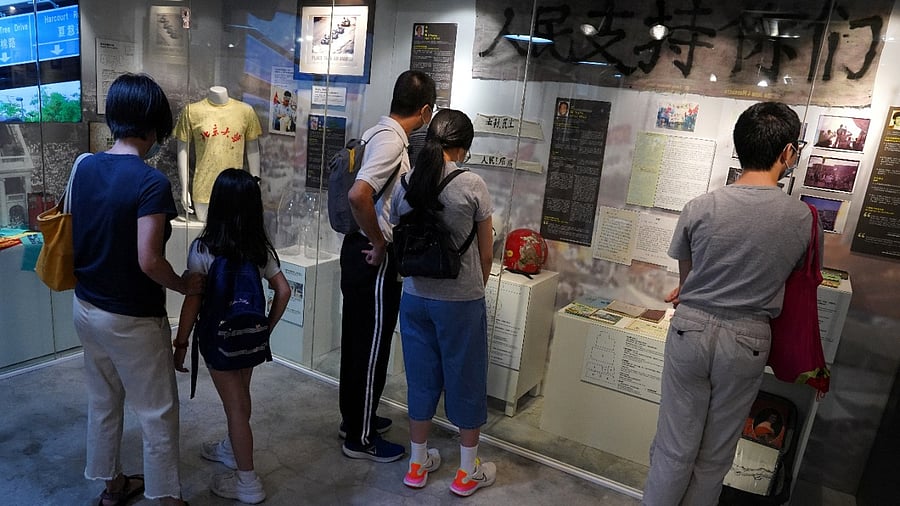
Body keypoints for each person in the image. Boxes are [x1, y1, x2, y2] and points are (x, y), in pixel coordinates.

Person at [642, 101, 820, 506]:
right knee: (715, 454)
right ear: (788, 152)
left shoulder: (699, 207)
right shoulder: (803, 219)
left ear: (739, 147)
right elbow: (792, 283)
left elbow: (688, 284)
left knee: (673, 446)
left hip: (692, 328)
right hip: (748, 338)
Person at [70, 73, 203, 506]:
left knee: (104, 399)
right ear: (154, 125)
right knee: (156, 410)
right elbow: (149, 259)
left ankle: (112, 488)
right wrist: (182, 284)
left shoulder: (84, 167)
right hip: (132, 317)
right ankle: (167, 498)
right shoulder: (151, 183)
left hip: (86, 306)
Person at [389, 109, 495, 496]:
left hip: (414, 296)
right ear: (464, 146)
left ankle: (417, 465)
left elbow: (399, 234)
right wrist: (474, 288)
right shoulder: (473, 185)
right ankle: (467, 473)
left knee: (420, 379)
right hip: (460, 301)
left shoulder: (407, 181)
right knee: (466, 380)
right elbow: (486, 254)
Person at [173, 168, 290, 504]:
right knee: (241, 395)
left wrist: (181, 344)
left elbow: (193, 301)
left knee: (236, 407)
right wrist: (266, 329)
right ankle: (230, 447)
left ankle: (248, 482)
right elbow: (282, 290)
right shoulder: (260, 250)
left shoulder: (203, 249)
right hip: (250, 339)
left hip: (219, 340)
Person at [339, 70, 436, 462]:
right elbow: (358, 194)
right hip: (371, 256)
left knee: (359, 341)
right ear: (426, 110)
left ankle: (356, 419)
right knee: (372, 345)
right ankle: (359, 438)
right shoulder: (393, 142)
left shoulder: (374, 132)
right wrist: (380, 243)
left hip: (357, 250)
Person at [175, 86, 262, 221]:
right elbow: (182, 150)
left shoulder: (245, 111)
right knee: (207, 233)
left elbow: (253, 150)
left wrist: (255, 183)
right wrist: (184, 188)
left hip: (236, 190)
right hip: (204, 191)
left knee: (232, 235)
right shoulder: (192, 111)